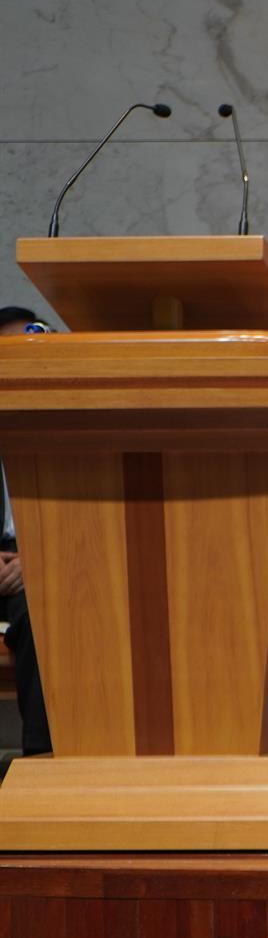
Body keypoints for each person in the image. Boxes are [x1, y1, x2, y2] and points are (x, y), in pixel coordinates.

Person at [0, 307, 52, 767]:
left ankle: (40, 762)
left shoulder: (63, 432)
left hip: (36, 561)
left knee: (43, 607)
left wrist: (36, 558)